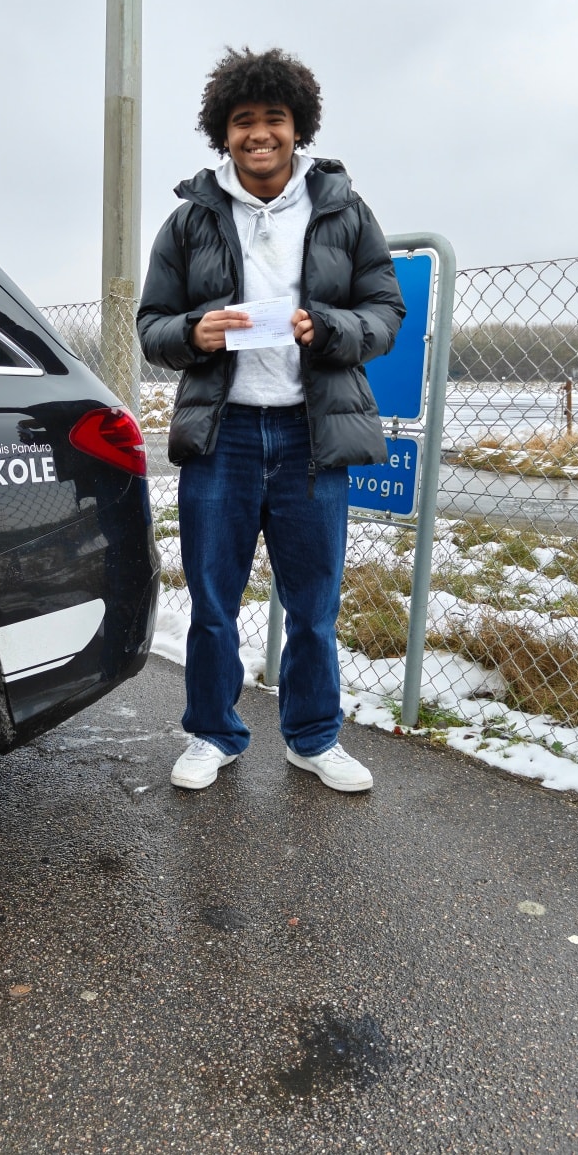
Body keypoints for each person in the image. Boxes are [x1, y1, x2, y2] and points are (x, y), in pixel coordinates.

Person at [136, 46, 405, 793]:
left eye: (274, 119)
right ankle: (212, 734)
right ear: (223, 133)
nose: (260, 134)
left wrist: (330, 327)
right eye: (243, 121)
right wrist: (193, 333)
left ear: (299, 127)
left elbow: (385, 312)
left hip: (310, 436)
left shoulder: (343, 211)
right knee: (214, 604)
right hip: (223, 438)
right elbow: (151, 323)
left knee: (315, 607)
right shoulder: (190, 220)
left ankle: (314, 738)